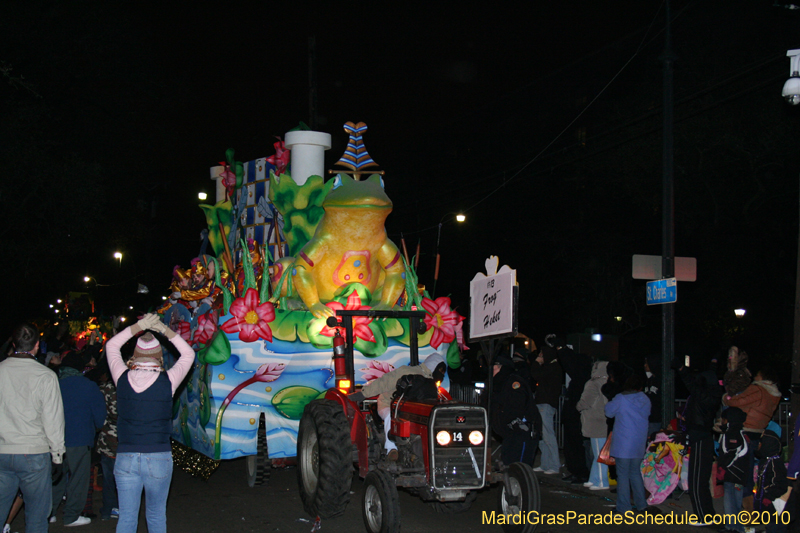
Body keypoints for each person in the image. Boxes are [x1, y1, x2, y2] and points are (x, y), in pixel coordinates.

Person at [105, 313, 195, 533]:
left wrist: (138, 327)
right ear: (160, 357)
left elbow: (111, 346)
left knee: (126, 518)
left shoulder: (122, 378)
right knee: (156, 516)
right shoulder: (169, 380)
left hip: (126, 456)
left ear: (134, 356)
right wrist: (164, 329)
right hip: (158, 456)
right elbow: (188, 353)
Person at [0, 323, 65, 533]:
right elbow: (53, 419)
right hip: (33, 452)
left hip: (2, 450)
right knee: (37, 516)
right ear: (37, 345)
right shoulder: (45, 376)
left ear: (13, 343)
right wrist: (57, 455)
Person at [348, 352, 446, 461]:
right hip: (389, 404)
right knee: (391, 417)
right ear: (434, 365)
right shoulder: (407, 372)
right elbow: (385, 381)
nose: (442, 374)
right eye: (441, 370)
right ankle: (391, 449)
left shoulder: (431, 382)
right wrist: (363, 394)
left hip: (409, 412)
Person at [50, 350, 106, 527]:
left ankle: (49, 513)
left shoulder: (55, 384)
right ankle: (71, 515)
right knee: (78, 479)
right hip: (80, 438)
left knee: (57, 477)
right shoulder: (88, 385)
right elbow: (100, 416)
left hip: (55, 438)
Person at [723, 365, 782, 513]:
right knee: (747, 474)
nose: (755, 376)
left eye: (758, 373)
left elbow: (737, 402)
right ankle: (750, 511)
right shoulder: (773, 393)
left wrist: (727, 398)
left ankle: (746, 512)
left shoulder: (758, 390)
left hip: (744, 433)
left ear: (763, 376)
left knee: (738, 476)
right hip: (757, 434)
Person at [674, 354, 723, 524]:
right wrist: (713, 364)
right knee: (700, 481)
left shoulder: (703, 396)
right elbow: (704, 378)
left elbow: (691, 382)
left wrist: (681, 368)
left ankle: (703, 517)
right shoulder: (711, 393)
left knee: (696, 482)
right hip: (702, 438)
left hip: (700, 439)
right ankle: (707, 515)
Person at [604, 373, 650, 515]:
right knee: (635, 473)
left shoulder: (621, 398)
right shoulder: (645, 399)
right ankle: (642, 505)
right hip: (638, 443)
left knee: (622, 475)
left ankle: (623, 507)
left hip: (624, 443)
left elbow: (608, 412)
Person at [490, 354, 541, 466]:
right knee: (509, 464)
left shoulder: (514, 384)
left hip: (521, 432)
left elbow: (516, 407)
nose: (491, 372)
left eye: (493, 368)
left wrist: (509, 421)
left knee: (520, 467)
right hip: (510, 434)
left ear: (501, 368)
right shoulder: (500, 384)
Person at [557, 344, 592, 484]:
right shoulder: (579, 379)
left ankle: (581, 472)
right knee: (572, 445)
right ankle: (576, 471)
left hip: (576, 418)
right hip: (572, 417)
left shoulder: (582, 379)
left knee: (577, 446)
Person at [529, 337, 563, 475]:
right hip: (544, 403)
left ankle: (555, 465)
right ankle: (545, 464)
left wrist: (536, 363)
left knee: (548, 435)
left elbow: (536, 375)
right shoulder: (552, 367)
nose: (540, 357)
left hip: (546, 404)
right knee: (543, 436)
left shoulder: (553, 368)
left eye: (542, 354)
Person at [577, 361, 609, 490]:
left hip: (594, 422)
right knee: (599, 452)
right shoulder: (608, 383)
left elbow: (585, 401)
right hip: (603, 420)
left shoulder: (593, 383)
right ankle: (594, 478)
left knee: (600, 453)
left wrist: (578, 406)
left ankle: (602, 481)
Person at [94, 359, 120, 520]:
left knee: (109, 478)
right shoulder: (127, 385)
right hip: (123, 440)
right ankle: (118, 508)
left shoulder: (103, 390)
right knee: (121, 479)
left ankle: (108, 509)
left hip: (107, 440)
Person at [717, 407, 749, 533]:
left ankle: (733, 527)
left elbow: (732, 452)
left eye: (723, 418)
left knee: (731, 500)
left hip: (733, 473)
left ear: (728, 420)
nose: (721, 421)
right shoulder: (738, 431)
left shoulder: (732, 433)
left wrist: (722, 468)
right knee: (735, 500)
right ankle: (736, 527)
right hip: (738, 473)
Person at [754, 430, 793, 533]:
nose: (759, 445)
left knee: (776, 524)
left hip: (774, 501)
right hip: (768, 500)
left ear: (768, 444)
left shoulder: (775, 462)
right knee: (770, 523)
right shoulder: (766, 460)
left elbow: (779, 483)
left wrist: (769, 496)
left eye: (761, 443)